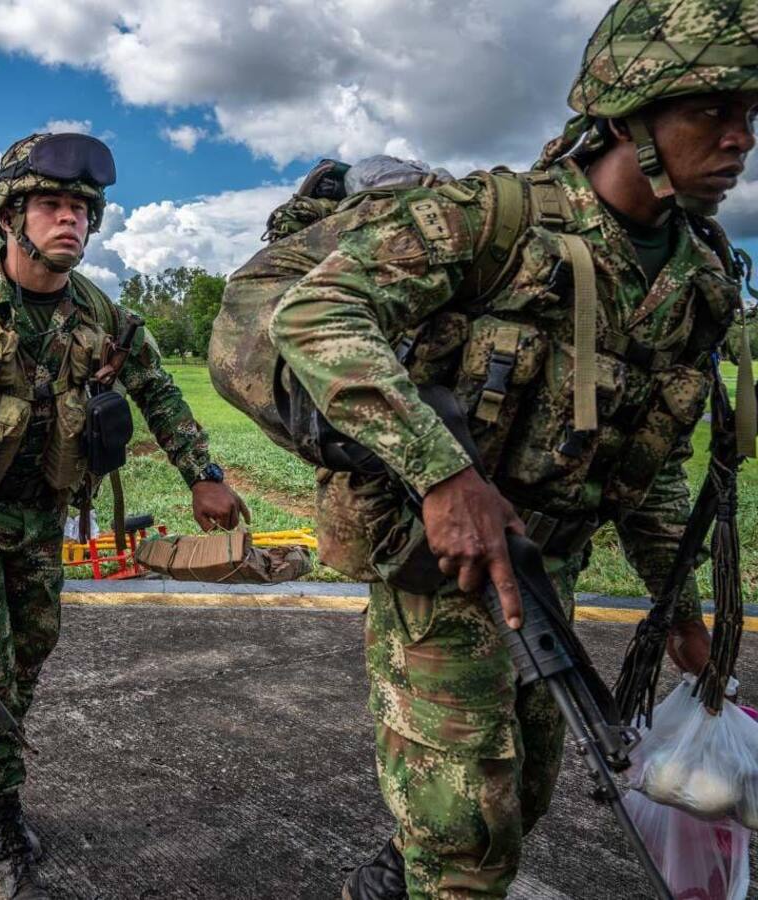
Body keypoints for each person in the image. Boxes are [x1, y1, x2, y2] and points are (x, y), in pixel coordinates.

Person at [268, 2, 758, 896]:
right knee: (467, 842)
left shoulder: (698, 277)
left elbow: (648, 463)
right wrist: (443, 473)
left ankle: (402, 862)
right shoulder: (493, 220)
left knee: (524, 794)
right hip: (439, 566)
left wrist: (679, 607)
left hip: (549, 572)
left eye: (750, 118)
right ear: (628, 116)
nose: (739, 141)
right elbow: (313, 310)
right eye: (711, 112)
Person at [0, 132, 245, 900]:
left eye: (79, 210)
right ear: (10, 218)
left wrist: (203, 475)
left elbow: (160, 391)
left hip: (42, 521)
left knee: (29, 652)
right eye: (51, 206)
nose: (69, 221)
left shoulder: (98, 313)